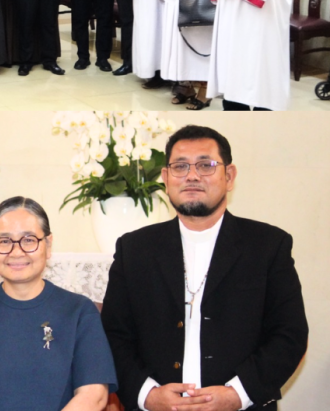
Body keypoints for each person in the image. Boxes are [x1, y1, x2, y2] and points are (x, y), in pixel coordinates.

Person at [101, 125, 308, 411]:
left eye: (205, 165)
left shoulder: (268, 246)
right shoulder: (134, 249)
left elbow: (289, 334)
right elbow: (113, 335)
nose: (192, 176)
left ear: (229, 176)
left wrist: (237, 395)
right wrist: (148, 395)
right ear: (166, 178)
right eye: (180, 166)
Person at [0, 196, 117, 411]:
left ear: (48, 245)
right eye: (4, 241)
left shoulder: (79, 311)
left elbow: (94, 394)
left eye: (29, 240)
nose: (16, 252)